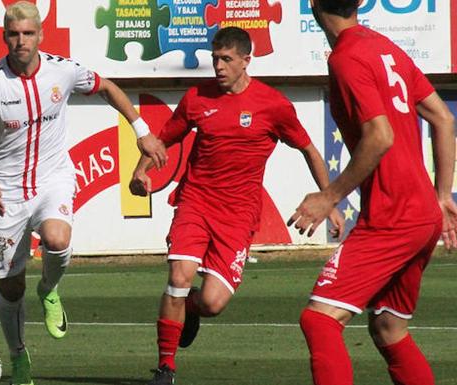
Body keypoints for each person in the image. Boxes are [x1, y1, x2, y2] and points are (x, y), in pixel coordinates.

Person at [0, 2, 167, 384]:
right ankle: (18, 354)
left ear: (40, 35)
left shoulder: (63, 70)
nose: (21, 41)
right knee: (11, 285)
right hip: (5, 191)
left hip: (53, 178)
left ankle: (51, 289)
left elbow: (106, 86)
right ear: (4, 37)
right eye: (13, 34)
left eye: (28, 33)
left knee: (57, 239)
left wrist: (142, 132)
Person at [130, 26, 344, 385]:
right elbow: (164, 138)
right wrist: (140, 171)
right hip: (195, 202)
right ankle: (165, 367)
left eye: (226, 59)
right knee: (178, 276)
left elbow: (308, 149)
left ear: (247, 60)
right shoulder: (197, 97)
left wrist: (330, 198)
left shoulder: (273, 105)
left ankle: (192, 309)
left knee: (213, 303)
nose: (218, 65)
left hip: (238, 216)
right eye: (215, 58)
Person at [287, 1, 457, 384]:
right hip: (423, 215)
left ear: (313, 4)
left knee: (319, 320)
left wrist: (329, 195)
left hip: (393, 214)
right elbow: (443, 118)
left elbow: (380, 136)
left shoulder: (346, 57)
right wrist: (443, 195)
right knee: (388, 328)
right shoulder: (385, 48)